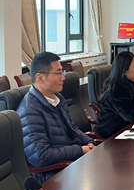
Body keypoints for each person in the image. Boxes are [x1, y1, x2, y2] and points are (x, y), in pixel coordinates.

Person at [17, 51, 94, 183]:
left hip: (71, 163)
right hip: (53, 176)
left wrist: (89, 143)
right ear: (40, 78)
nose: (63, 77)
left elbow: (72, 128)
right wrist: (80, 150)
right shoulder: (29, 111)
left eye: (62, 72)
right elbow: (40, 156)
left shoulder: (58, 98)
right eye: (58, 73)